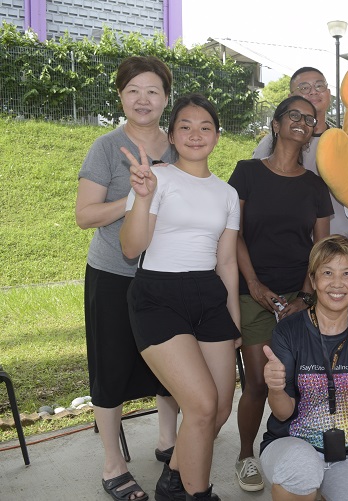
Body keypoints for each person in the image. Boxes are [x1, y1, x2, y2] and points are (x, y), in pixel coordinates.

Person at [120, 93, 241, 500]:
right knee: (203, 405)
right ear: (172, 134)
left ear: (217, 137)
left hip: (208, 294)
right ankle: (196, 493)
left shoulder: (227, 194)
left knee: (219, 409)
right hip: (157, 294)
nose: (195, 134)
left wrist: (235, 324)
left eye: (205, 126)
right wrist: (141, 197)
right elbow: (131, 248)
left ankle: (173, 477)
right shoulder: (156, 178)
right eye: (185, 126)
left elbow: (226, 263)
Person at [75, 55, 179, 501]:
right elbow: (84, 215)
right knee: (111, 367)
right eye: (134, 89)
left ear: (166, 98)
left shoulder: (179, 145)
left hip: (168, 275)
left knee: (172, 365)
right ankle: (113, 464)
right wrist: (136, 195)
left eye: (153, 90)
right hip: (114, 276)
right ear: (120, 95)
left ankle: (168, 440)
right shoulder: (105, 147)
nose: (143, 99)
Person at [229, 95, 333, 492]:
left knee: (301, 380)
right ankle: (245, 455)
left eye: (310, 119)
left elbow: (320, 249)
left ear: (311, 133)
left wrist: (305, 298)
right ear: (275, 123)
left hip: (300, 295)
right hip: (253, 292)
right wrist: (254, 286)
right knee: (258, 382)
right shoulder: (247, 173)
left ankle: (298, 450)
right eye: (294, 115)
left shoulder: (315, 186)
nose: (302, 122)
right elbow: (233, 234)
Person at [260, 235, 348, 501]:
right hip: (290, 443)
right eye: (327, 273)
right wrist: (274, 388)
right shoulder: (288, 331)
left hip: (347, 452)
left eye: (347, 273)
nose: (337, 283)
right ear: (313, 280)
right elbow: (283, 411)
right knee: (302, 467)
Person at [253, 66, 348, 237]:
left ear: (328, 93)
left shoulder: (344, 141)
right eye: (304, 88)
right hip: (289, 243)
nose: (313, 92)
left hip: (339, 244)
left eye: (319, 86)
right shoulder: (273, 141)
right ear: (290, 97)